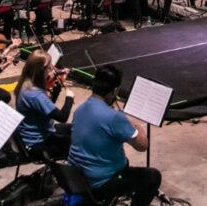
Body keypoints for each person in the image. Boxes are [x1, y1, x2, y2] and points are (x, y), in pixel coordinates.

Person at [68, 65, 161, 206]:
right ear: (114, 91)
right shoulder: (114, 117)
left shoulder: (79, 110)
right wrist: (137, 125)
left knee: (124, 161)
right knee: (152, 176)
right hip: (98, 185)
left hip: (76, 178)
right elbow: (143, 145)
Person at [13, 51, 74, 160]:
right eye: (50, 68)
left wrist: (58, 87)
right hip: (37, 143)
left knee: (76, 129)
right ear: (42, 70)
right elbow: (62, 117)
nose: (52, 70)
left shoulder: (26, 83)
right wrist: (69, 97)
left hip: (36, 133)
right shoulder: (35, 95)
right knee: (79, 144)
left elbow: (48, 109)